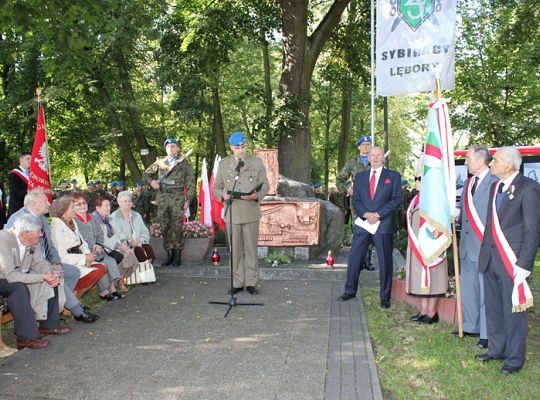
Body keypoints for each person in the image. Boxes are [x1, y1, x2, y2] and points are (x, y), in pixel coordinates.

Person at [476, 147, 540, 375]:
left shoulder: (529, 188)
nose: (491, 163)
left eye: (495, 160)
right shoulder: (495, 187)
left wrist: (524, 265)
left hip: (512, 262)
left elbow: (533, 230)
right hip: (491, 258)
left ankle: (514, 358)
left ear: (509, 164)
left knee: (514, 312)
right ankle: (496, 348)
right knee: (493, 308)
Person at [6, 189, 98, 323]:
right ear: (34, 204)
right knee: (56, 276)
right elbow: (14, 251)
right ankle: (77, 311)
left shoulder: (42, 219)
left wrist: (56, 262)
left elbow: (50, 245)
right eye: (44, 201)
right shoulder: (17, 218)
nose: (49, 203)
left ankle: (58, 306)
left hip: (45, 261)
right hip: (28, 265)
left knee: (72, 272)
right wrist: (49, 267)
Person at [338, 147, 402, 307]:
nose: (375, 157)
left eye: (378, 155)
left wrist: (378, 214)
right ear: (369, 157)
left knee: (385, 261)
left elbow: (396, 200)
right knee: (354, 258)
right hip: (363, 223)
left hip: (383, 224)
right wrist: (366, 214)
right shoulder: (360, 177)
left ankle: (385, 297)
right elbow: (356, 200)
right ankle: (350, 290)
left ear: (383, 158)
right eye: (372, 155)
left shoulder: (393, 176)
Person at [0, 214, 72, 349]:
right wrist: (42, 277)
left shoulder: (32, 241)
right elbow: (10, 276)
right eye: (39, 231)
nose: (41, 235)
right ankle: (25, 338)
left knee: (52, 277)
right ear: (26, 233)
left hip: (17, 276)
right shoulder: (4, 239)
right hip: (4, 278)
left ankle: (49, 326)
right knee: (18, 288)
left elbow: (39, 262)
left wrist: (50, 272)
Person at [213, 131, 269, 295]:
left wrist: (256, 196)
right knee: (235, 250)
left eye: (243, 146)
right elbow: (216, 187)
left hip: (251, 212)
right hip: (233, 213)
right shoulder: (224, 164)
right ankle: (237, 283)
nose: (241, 150)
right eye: (238, 148)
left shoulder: (256, 163)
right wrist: (222, 195)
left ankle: (251, 282)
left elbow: (265, 184)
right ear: (231, 148)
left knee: (251, 249)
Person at [455, 145, 497, 348]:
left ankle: (487, 334)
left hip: (485, 247)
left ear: (481, 160)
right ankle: (470, 325)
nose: (465, 162)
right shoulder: (469, 183)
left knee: (485, 291)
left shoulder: (495, 183)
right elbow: (464, 212)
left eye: (468, 158)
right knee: (469, 289)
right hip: (466, 245)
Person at [142, 138, 196, 266]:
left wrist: (188, 199)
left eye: (173, 146)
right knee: (165, 226)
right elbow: (146, 175)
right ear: (165, 149)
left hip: (178, 198)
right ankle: (169, 254)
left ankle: (177, 255)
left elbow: (191, 183)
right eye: (168, 146)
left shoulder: (184, 163)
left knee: (177, 227)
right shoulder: (160, 162)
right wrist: (152, 182)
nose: (171, 148)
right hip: (163, 198)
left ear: (178, 148)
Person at [49, 196, 109, 303]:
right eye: (72, 207)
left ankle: (75, 297)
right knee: (96, 271)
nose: (75, 210)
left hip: (80, 258)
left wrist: (88, 257)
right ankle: (75, 299)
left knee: (102, 267)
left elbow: (82, 243)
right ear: (63, 210)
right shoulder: (56, 226)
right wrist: (84, 258)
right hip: (69, 262)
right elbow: (61, 256)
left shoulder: (72, 222)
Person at [406, 175, 447, 324]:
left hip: (431, 244)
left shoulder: (435, 198)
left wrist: (431, 242)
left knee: (433, 277)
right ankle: (424, 310)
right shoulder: (417, 197)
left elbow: (440, 223)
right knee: (421, 278)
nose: (417, 181)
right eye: (416, 178)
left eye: (420, 179)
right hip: (417, 244)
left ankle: (432, 312)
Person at [71, 192, 125, 301]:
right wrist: (89, 251)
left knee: (110, 261)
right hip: (85, 254)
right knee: (102, 264)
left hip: (98, 250)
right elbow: (77, 241)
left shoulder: (91, 217)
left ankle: (112, 288)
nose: (82, 206)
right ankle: (104, 291)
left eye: (84, 203)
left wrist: (99, 244)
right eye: (79, 204)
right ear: (73, 207)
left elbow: (100, 234)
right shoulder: (74, 221)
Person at [336, 136, 375, 270]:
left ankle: (367, 261)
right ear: (359, 147)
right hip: (357, 201)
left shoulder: (376, 161)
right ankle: (358, 261)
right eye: (363, 144)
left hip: (372, 201)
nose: (365, 146)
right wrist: (347, 189)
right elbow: (339, 179)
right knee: (358, 229)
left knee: (371, 229)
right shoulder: (352, 162)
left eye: (368, 144)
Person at [93, 196, 139, 292]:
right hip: (106, 248)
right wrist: (119, 247)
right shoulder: (94, 220)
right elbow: (102, 239)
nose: (109, 208)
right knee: (125, 255)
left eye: (109, 206)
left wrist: (124, 242)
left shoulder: (110, 219)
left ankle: (120, 278)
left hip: (117, 245)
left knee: (130, 254)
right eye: (106, 206)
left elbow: (119, 233)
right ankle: (117, 282)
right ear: (98, 208)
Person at [110, 191, 155, 264]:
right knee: (140, 253)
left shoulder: (137, 215)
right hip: (125, 246)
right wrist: (130, 242)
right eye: (125, 201)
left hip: (138, 243)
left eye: (129, 201)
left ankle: (147, 273)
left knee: (149, 251)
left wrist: (140, 241)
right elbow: (115, 235)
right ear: (119, 203)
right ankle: (138, 274)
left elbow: (145, 231)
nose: (128, 203)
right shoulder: (113, 217)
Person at [7, 152, 31, 218]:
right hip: (17, 209)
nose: (30, 161)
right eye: (28, 159)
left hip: (29, 208)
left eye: (31, 159)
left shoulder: (32, 174)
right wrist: (29, 192)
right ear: (21, 159)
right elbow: (15, 192)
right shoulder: (14, 174)